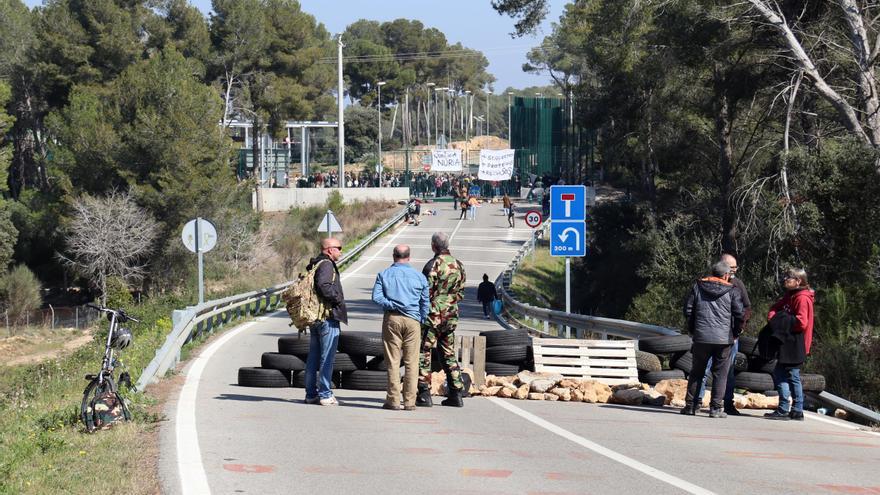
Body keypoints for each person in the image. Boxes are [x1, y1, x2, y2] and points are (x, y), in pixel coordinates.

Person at [681, 260, 744, 418]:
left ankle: (691, 406)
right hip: (724, 339)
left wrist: (694, 330)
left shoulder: (698, 286)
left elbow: (688, 310)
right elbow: (739, 314)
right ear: (725, 275)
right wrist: (735, 333)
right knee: (720, 374)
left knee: (697, 372)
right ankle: (715, 408)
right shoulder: (732, 290)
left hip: (701, 337)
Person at [371, 245, 430, 411]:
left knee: (393, 361)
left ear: (393, 256)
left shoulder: (384, 274)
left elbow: (376, 297)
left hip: (392, 318)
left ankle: (393, 400)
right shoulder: (419, 277)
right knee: (412, 362)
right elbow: (425, 302)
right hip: (413, 320)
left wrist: (391, 304)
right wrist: (422, 319)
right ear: (409, 257)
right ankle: (410, 401)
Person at [696, 253, 752, 415]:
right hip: (711, 334)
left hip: (729, 336)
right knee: (704, 369)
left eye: (736, 267)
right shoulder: (705, 284)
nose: (735, 270)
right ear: (724, 268)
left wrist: (738, 330)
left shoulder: (738, 284)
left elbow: (745, 308)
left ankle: (726, 403)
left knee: (727, 371)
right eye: (732, 268)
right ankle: (697, 401)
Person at [417, 232, 467, 407]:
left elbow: (425, 293)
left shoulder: (433, 265)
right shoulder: (458, 265)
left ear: (433, 246)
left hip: (433, 316)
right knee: (448, 353)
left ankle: (424, 393)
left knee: (424, 352)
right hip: (451, 316)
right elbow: (461, 293)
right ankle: (456, 392)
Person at [764, 268, 814, 421]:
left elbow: (801, 322)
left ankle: (788, 409)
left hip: (795, 343)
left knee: (788, 375)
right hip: (787, 342)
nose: (785, 279)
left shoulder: (802, 298)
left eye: (789, 277)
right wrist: (774, 319)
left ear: (798, 281)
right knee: (788, 374)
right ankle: (795, 409)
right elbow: (775, 308)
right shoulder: (790, 296)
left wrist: (781, 321)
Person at [303, 238, 348, 406]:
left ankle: (311, 394)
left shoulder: (316, 263)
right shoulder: (327, 265)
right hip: (327, 317)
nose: (341, 251)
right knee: (327, 357)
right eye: (338, 248)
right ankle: (325, 394)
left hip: (316, 316)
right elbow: (324, 285)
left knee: (314, 357)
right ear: (329, 250)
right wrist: (338, 300)